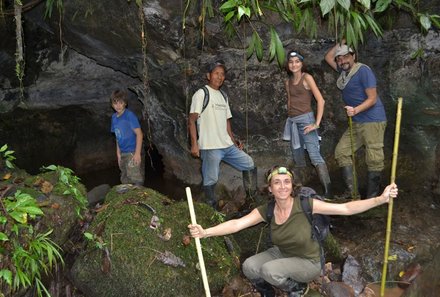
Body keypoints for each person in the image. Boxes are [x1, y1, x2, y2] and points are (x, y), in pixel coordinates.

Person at [188, 166, 398, 297]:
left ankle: (297, 288)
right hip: (281, 253)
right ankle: (268, 290)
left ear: (292, 185)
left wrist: (380, 199)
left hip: (308, 261)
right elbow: (237, 224)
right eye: (276, 183)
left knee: (270, 270)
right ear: (270, 188)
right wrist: (205, 232)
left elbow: (345, 208)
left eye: (286, 182)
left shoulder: (306, 204)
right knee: (249, 267)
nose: (282, 186)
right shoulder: (267, 209)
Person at [188, 59, 258, 209]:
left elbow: (226, 121)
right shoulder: (201, 94)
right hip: (210, 146)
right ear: (208, 75)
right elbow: (191, 120)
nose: (219, 77)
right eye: (216, 73)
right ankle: (211, 208)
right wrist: (194, 144)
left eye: (222, 74)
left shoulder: (223, 96)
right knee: (210, 178)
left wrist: (233, 140)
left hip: (226, 145)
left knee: (249, 164)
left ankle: (251, 201)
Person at [324, 42, 387, 198]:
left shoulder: (363, 71)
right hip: (357, 122)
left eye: (346, 56)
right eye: (339, 59)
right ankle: (353, 194)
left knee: (373, 158)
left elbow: (372, 98)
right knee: (341, 152)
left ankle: (372, 199)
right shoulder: (344, 72)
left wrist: (356, 110)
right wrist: (342, 41)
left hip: (373, 120)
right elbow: (327, 57)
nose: (342, 61)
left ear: (353, 56)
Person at [282, 50, 332, 198]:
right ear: (288, 64)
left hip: (306, 121)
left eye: (297, 61)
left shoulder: (307, 78)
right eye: (291, 62)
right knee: (298, 156)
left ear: (302, 63)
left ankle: (328, 192)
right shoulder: (288, 82)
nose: (294, 64)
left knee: (314, 156)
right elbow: (290, 101)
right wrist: (289, 118)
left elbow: (321, 100)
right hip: (293, 121)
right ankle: (301, 192)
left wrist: (316, 124)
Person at [110, 89, 145, 185]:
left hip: (132, 152)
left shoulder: (129, 115)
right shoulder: (114, 118)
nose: (118, 106)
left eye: (121, 103)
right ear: (112, 104)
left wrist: (137, 153)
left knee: (135, 177)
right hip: (123, 153)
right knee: (124, 177)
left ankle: (139, 196)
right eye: (115, 103)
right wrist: (118, 154)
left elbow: (139, 134)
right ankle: (129, 198)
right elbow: (118, 136)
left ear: (125, 103)